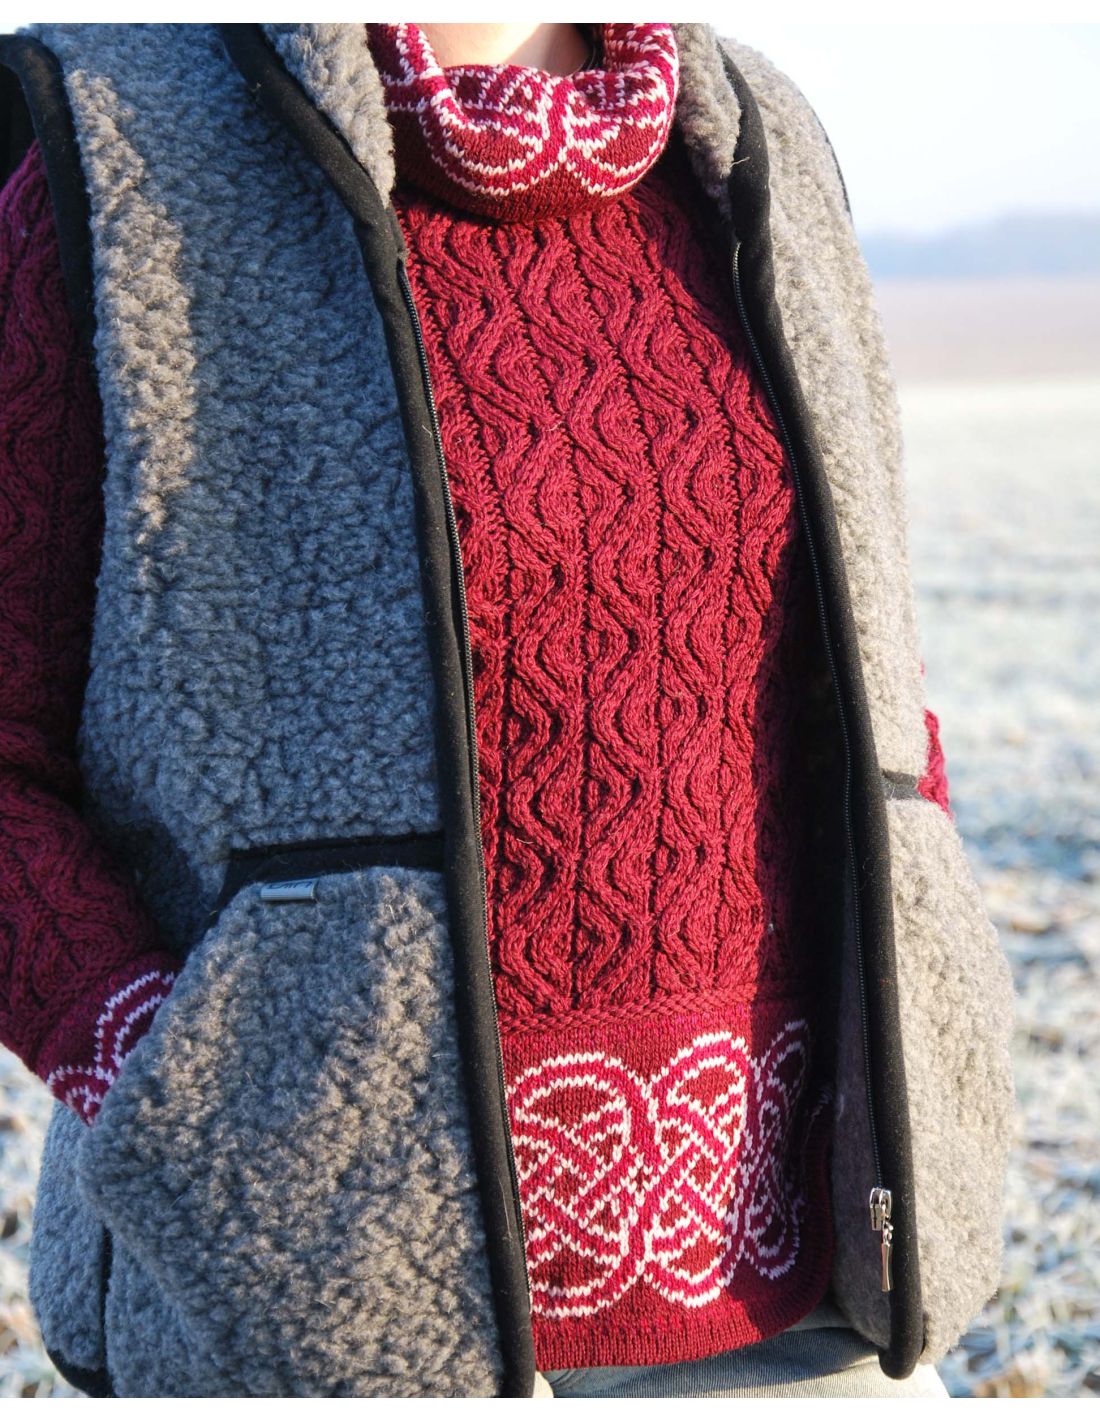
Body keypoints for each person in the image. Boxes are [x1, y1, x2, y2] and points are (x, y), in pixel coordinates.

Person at [0, 21, 1016, 1399]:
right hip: (312, 1304)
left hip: (796, 1288)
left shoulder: (755, 135)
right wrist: (190, 1107)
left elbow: (865, 678)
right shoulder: (123, 132)